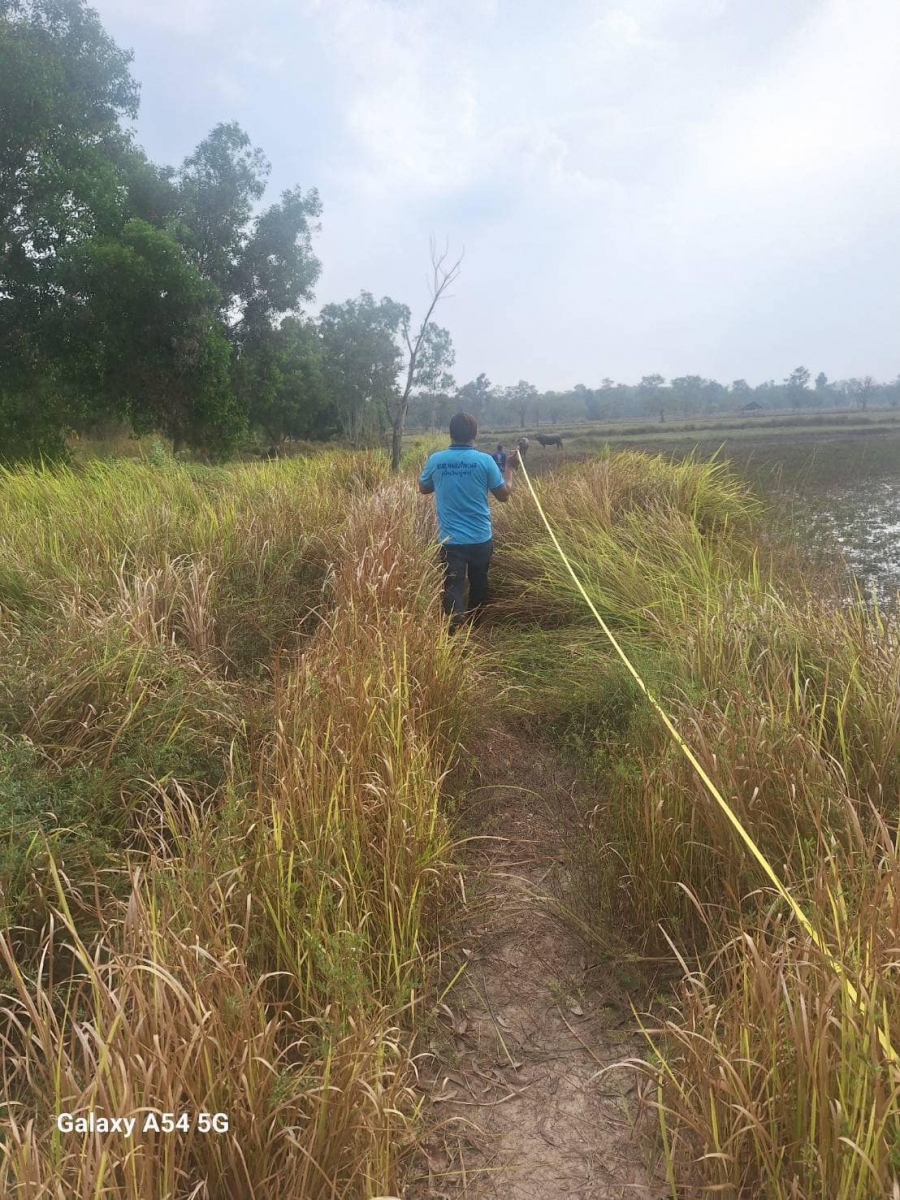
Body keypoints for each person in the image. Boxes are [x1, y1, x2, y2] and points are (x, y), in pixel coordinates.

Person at [418, 412, 518, 631]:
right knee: (479, 581)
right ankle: (475, 626)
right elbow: (504, 495)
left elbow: (424, 488)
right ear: (475, 434)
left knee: (452, 585)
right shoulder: (485, 461)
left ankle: (454, 630)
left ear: (451, 434)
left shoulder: (437, 460)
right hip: (481, 538)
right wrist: (510, 467)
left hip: (450, 540)